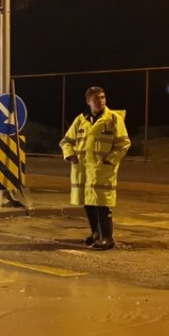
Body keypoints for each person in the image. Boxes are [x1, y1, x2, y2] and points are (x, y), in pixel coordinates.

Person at [60, 86, 131, 250]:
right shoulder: (80, 120)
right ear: (88, 101)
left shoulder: (113, 119)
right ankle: (96, 234)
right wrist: (70, 155)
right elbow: (66, 141)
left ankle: (107, 237)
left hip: (102, 171)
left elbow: (124, 144)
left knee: (103, 203)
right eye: (96, 98)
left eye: (103, 97)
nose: (101, 101)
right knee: (89, 203)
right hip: (84, 171)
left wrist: (111, 161)